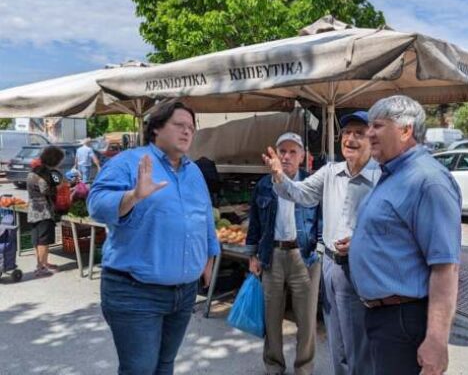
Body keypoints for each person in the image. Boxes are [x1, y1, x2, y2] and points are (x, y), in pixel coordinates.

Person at [87, 101, 220, 375]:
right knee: (140, 369)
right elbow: (96, 204)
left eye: (191, 128)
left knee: (165, 364)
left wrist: (209, 256)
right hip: (135, 291)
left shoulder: (193, 170)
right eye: (179, 125)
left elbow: (205, 214)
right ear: (157, 127)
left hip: (184, 293)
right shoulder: (129, 162)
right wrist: (133, 196)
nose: (187, 132)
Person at [349, 95, 462, 375]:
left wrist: (436, 340)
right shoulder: (393, 173)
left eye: (377, 126)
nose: (369, 133)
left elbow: (445, 267)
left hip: (402, 321)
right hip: (382, 317)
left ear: (405, 130)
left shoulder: (428, 181)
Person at [263, 111, 379, 375]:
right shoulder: (329, 172)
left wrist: (362, 242)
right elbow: (301, 194)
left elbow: (392, 228)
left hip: (362, 267)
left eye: (359, 133)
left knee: (359, 343)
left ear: (372, 139)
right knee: (337, 342)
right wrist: (279, 176)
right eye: (346, 133)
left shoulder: (382, 177)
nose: (350, 139)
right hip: (330, 265)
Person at [246, 132, 322, 375]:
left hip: (304, 255)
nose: (287, 156)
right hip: (273, 255)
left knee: (306, 319)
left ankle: (304, 368)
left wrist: (320, 250)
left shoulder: (312, 183)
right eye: (282, 152)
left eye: (292, 152)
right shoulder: (264, 185)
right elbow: (255, 223)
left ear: (302, 156)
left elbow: (322, 219)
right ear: (276, 155)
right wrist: (252, 255)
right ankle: (274, 365)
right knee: (271, 316)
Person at [26, 146, 64, 277]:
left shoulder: (34, 170)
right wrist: (59, 187)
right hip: (44, 211)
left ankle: (43, 263)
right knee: (43, 240)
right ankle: (40, 267)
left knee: (37, 239)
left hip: (33, 210)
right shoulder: (44, 174)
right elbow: (47, 190)